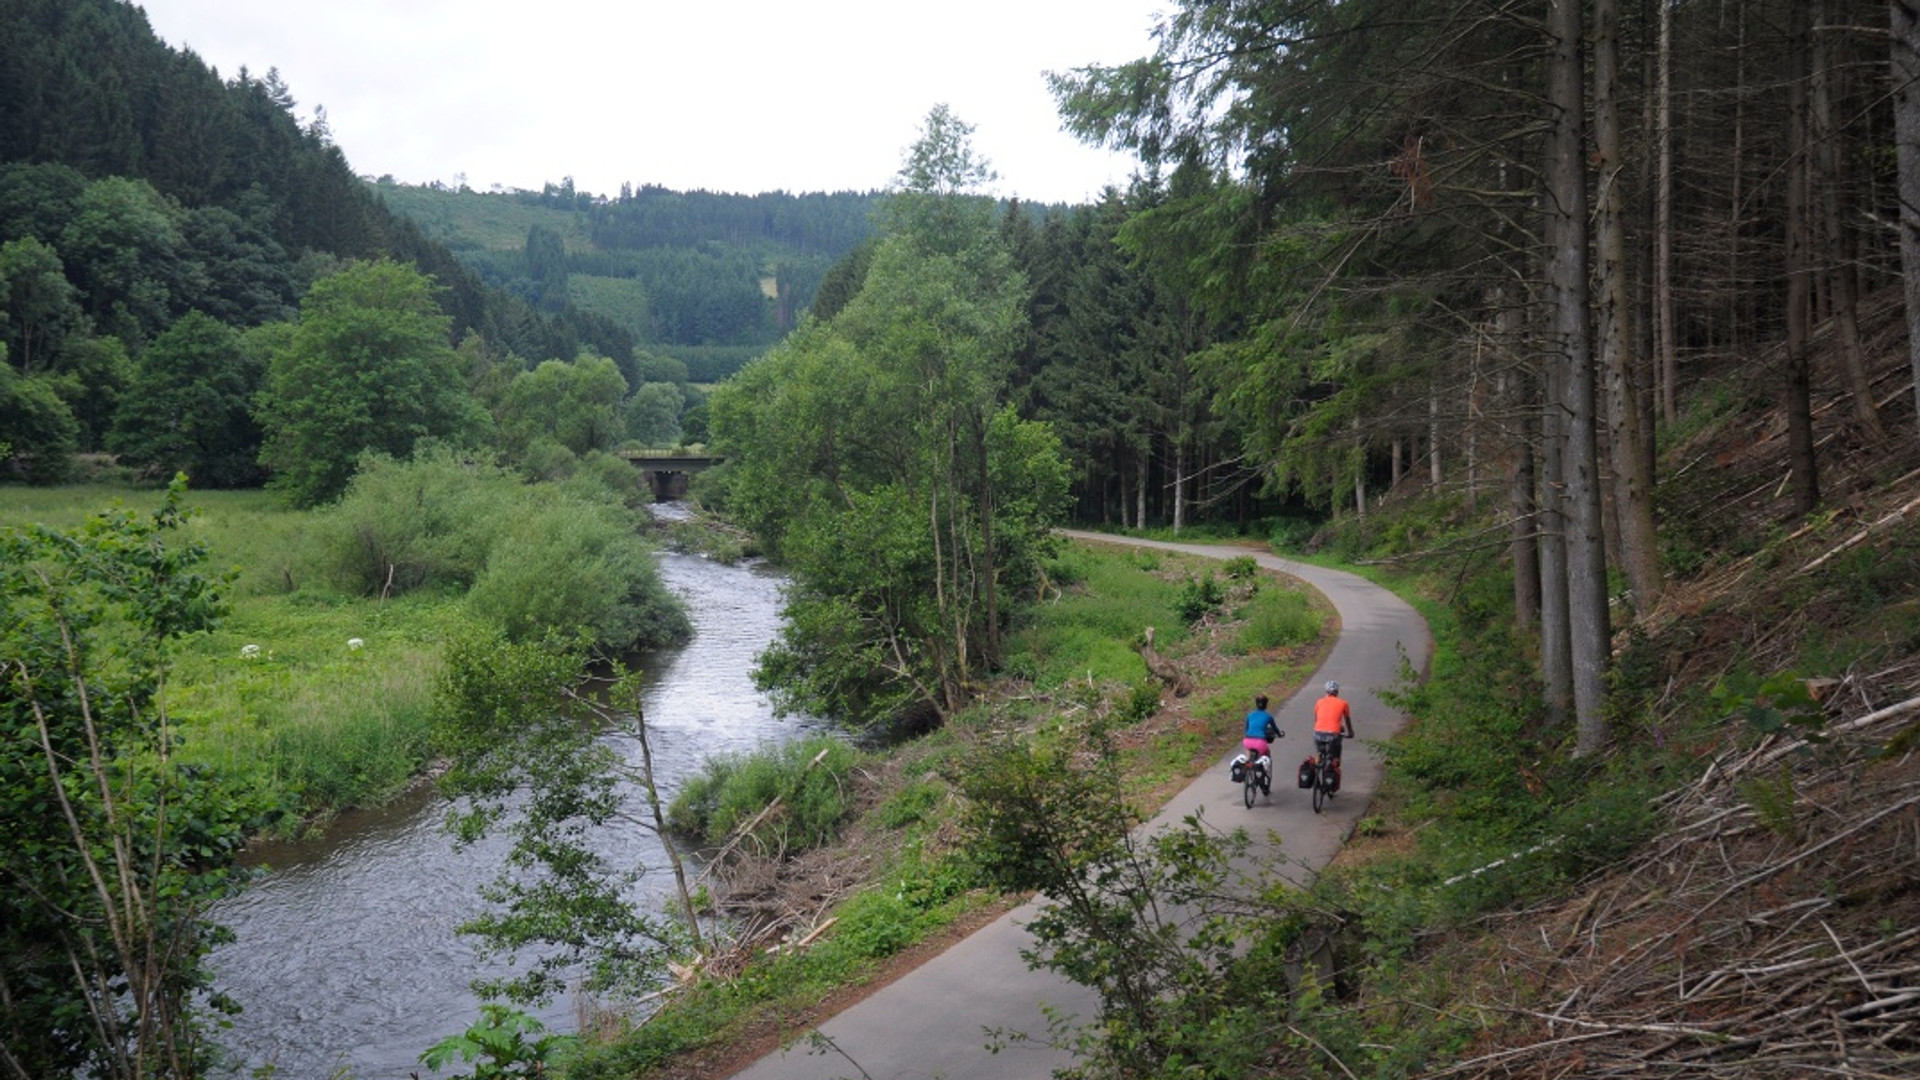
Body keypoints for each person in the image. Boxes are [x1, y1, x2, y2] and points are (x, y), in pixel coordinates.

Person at [1312, 680, 1355, 786]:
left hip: (1318, 733)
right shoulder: (1343, 703)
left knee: (1319, 752)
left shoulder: (1319, 702)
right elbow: (1347, 721)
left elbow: (1317, 719)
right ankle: (1332, 778)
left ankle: (1316, 777)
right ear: (1337, 692)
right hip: (1333, 735)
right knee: (1335, 755)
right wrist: (1350, 733)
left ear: (1326, 691)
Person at [1239, 694, 1281, 771]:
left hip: (1247, 741)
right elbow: (1275, 729)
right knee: (1266, 753)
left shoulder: (1249, 715)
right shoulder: (1268, 717)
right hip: (1260, 742)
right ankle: (1264, 770)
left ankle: (1247, 765)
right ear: (1266, 705)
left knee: (1248, 750)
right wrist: (1279, 734)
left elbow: (1246, 729)